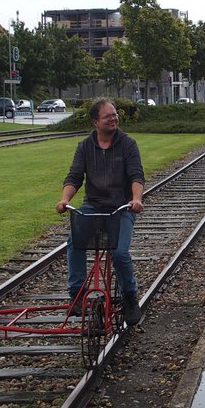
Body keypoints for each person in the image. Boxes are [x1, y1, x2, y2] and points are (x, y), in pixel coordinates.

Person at [56, 99, 145, 326]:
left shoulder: (128, 144)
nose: (114, 119)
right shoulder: (85, 147)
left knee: (119, 253)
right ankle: (77, 294)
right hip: (93, 206)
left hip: (121, 207)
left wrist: (136, 199)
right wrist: (65, 200)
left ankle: (130, 298)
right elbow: (74, 177)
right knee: (74, 242)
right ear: (95, 121)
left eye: (115, 115)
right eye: (108, 116)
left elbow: (136, 175)